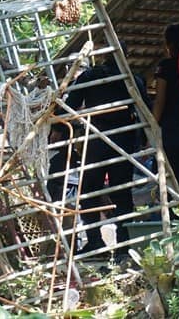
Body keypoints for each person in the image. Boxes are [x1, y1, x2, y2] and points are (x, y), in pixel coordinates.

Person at [61, 42, 150, 254]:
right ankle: (123, 245)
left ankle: (95, 242)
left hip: (96, 139)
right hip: (124, 140)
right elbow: (145, 109)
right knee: (122, 193)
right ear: (125, 55)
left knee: (89, 191)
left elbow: (69, 105)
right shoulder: (131, 79)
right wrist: (147, 137)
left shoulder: (90, 77)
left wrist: (62, 129)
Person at [152, 23, 179, 201]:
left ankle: (171, 217)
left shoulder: (166, 66)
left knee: (168, 176)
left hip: (170, 129)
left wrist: (152, 126)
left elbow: (160, 100)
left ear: (168, 45)